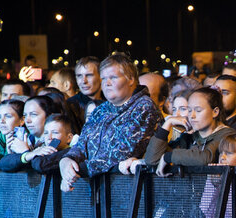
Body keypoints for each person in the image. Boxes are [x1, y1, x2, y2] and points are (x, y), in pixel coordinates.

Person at [59, 53, 161, 191]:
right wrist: (67, 160)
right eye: (103, 78)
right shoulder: (100, 110)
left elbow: (120, 153)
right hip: (98, 194)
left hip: (130, 192)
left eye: (113, 77)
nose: (106, 83)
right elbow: (82, 144)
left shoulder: (144, 107)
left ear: (130, 79)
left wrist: (76, 171)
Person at [126, 87, 234, 175]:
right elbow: (152, 159)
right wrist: (167, 125)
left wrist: (168, 157)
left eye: (198, 110)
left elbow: (205, 157)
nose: (192, 116)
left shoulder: (228, 135)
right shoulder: (189, 138)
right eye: (190, 110)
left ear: (215, 112)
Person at [68, 56, 104, 122]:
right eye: (79, 76)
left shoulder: (111, 102)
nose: (84, 81)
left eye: (89, 75)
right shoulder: (70, 106)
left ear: (101, 76)